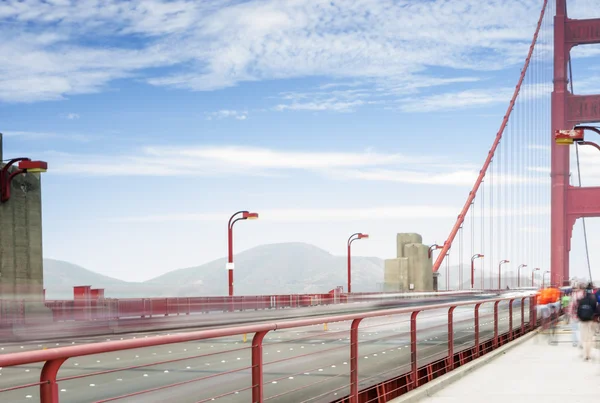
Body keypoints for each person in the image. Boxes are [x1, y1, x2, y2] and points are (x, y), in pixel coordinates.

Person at [576, 283, 597, 361]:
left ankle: (585, 355)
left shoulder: (581, 300)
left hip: (582, 321)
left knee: (584, 339)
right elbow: (595, 311)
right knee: (589, 339)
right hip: (590, 321)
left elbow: (578, 311)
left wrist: (580, 318)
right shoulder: (593, 300)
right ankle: (588, 355)